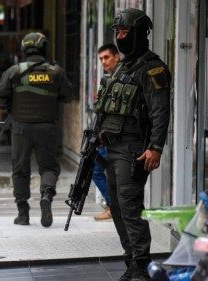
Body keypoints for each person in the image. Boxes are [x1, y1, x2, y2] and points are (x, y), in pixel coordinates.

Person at [93, 9, 171, 281]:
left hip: (133, 149)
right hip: (112, 147)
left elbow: (161, 112)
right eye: (117, 33)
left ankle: (141, 263)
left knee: (129, 206)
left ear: (138, 33)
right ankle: (132, 260)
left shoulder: (152, 67)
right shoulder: (123, 67)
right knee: (116, 206)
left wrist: (156, 147)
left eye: (125, 32)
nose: (120, 37)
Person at [0, 32, 73, 227]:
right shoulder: (56, 71)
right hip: (47, 128)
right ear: (44, 48)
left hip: (20, 127)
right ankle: (46, 195)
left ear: (24, 49)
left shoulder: (14, 71)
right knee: (48, 167)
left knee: (20, 169)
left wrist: (12, 107)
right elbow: (68, 96)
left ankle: (23, 214)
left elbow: (0, 97)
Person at [93, 43, 120, 221]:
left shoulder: (122, 77)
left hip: (116, 137)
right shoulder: (109, 78)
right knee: (96, 168)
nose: (103, 61)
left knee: (96, 169)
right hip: (107, 135)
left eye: (107, 57)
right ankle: (114, 207)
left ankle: (114, 207)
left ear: (116, 56)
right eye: (101, 59)